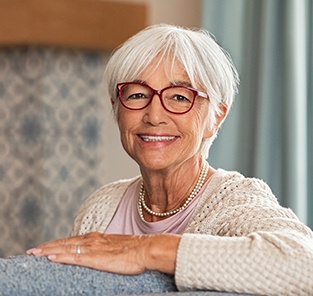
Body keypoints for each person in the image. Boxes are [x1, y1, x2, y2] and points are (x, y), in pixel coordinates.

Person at [27, 24, 313, 295]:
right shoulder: (102, 206)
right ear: (116, 109)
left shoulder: (234, 200)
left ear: (216, 117)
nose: (154, 115)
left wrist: (144, 250)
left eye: (179, 97)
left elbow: (305, 264)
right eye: (137, 94)